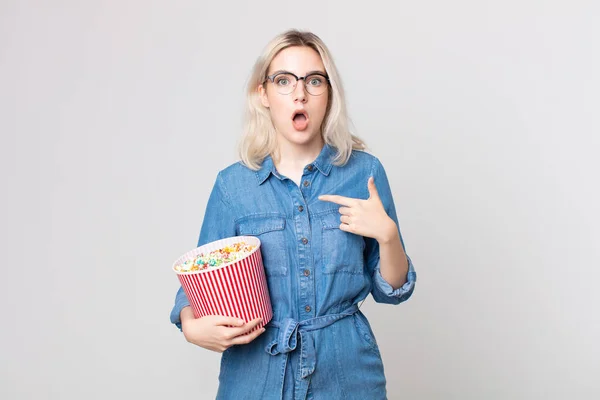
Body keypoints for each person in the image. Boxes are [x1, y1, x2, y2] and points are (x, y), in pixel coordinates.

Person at [169, 29, 417, 400]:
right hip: (255, 377)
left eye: (314, 80)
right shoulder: (233, 187)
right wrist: (191, 326)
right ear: (263, 94)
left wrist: (389, 237)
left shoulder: (364, 173)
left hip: (348, 375)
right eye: (284, 81)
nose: (300, 93)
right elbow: (197, 282)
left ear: (328, 94)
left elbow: (393, 290)